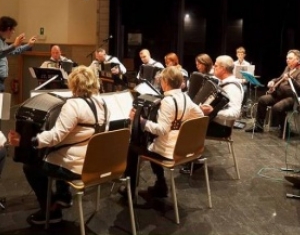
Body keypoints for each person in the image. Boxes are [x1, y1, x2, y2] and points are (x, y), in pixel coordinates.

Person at [8, 65, 109, 225]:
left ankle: (50, 210)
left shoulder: (74, 105)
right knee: (59, 152)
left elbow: (55, 136)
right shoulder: (101, 103)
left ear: (74, 84)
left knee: (31, 166)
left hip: (76, 167)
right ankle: (63, 196)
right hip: (92, 162)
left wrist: (25, 141)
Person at [118, 66, 209, 198]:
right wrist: (180, 124)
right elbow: (200, 115)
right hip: (183, 147)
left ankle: (129, 190)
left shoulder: (167, 102)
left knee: (133, 148)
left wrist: (141, 121)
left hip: (170, 151)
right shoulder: (185, 97)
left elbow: (161, 130)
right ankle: (160, 185)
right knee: (151, 143)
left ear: (165, 82)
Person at [180, 55, 243, 174]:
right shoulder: (218, 81)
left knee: (187, 125)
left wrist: (213, 112)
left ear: (223, 68)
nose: (213, 67)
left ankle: (195, 159)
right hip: (212, 121)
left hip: (222, 128)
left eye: (216, 65)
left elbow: (235, 113)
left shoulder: (232, 87)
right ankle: (188, 154)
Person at [245, 49, 300, 135]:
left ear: (297, 59)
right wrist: (273, 81)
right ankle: (259, 127)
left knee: (277, 107)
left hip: (292, 97)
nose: (287, 60)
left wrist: (291, 79)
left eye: (290, 58)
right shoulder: (287, 68)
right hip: (280, 95)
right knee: (262, 100)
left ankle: (286, 130)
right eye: (287, 58)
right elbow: (279, 78)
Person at [0, 16, 36, 92]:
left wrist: (28, 45)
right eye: (13, 29)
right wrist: (14, 45)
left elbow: (12, 51)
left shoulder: (2, 42)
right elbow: (1, 53)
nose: (13, 32)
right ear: (8, 29)